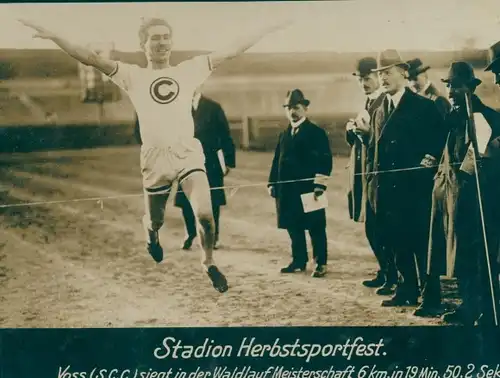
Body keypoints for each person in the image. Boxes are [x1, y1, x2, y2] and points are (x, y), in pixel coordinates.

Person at [19, 17, 291, 293]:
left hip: (187, 153)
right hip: (154, 159)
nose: (161, 42)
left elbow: (232, 49)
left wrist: (266, 29)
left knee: (206, 215)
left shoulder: (190, 69)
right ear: (143, 44)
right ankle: (152, 236)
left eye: (165, 37)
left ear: (171, 42)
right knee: (156, 219)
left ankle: (208, 262)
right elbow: (89, 57)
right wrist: (55, 36)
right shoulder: (132, 75)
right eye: (155, 38)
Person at [415, 61, 500, 326]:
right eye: (449, 85)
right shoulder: (451, 118)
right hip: (448, 194)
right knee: (456, 254)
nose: (451, 90)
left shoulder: (482, 116)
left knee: (476, 255)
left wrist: (465, 172)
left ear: (470, 88)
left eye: (456, 85)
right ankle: (468, 306)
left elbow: (481, 159)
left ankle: (484, 310)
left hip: (474, 198)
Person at [367, 49, 448, 307]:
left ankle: (431, 296)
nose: (383, 79)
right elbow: (374, 147)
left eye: (387, 73)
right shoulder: (379, 107)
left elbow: (440, 137)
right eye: (380, 74)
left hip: (414, 188)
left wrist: (432, 156)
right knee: (395, 239)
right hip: (386, 188)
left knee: (421, 242)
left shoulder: (423, 105)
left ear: (403, 72)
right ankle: (406, 289)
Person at [268, 89, 333, 278]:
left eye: (296, 108)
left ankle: (321, 262)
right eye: (288, 108)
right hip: (287, 190)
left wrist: (320, 184)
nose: (292, 112)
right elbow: (276, 160)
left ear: (305, 108)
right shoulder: (284, 134)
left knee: (316, 227)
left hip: (309, 190)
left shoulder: (316, 133)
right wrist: (272, 183)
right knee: (293, 226)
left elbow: (325, 159)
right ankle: (299, 260)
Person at [346, 57, 398, 294]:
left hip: (379, 173)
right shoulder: (368, 103)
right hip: (365, 173)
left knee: (381, 227)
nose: (363, 83)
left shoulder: (382, 102)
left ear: (378, 77)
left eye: (367, 78)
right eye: (360, 79)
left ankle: (392, 274)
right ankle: (385, 270)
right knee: (372, 227)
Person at [175, 89, 236, 251]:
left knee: (212, 200)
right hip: (186, 161)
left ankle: (213, 237)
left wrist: (229, 161)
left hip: (210, 162)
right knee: (185, 200)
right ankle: (190, 233)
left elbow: (225, 135)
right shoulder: (178, 108)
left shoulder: (213, 108)